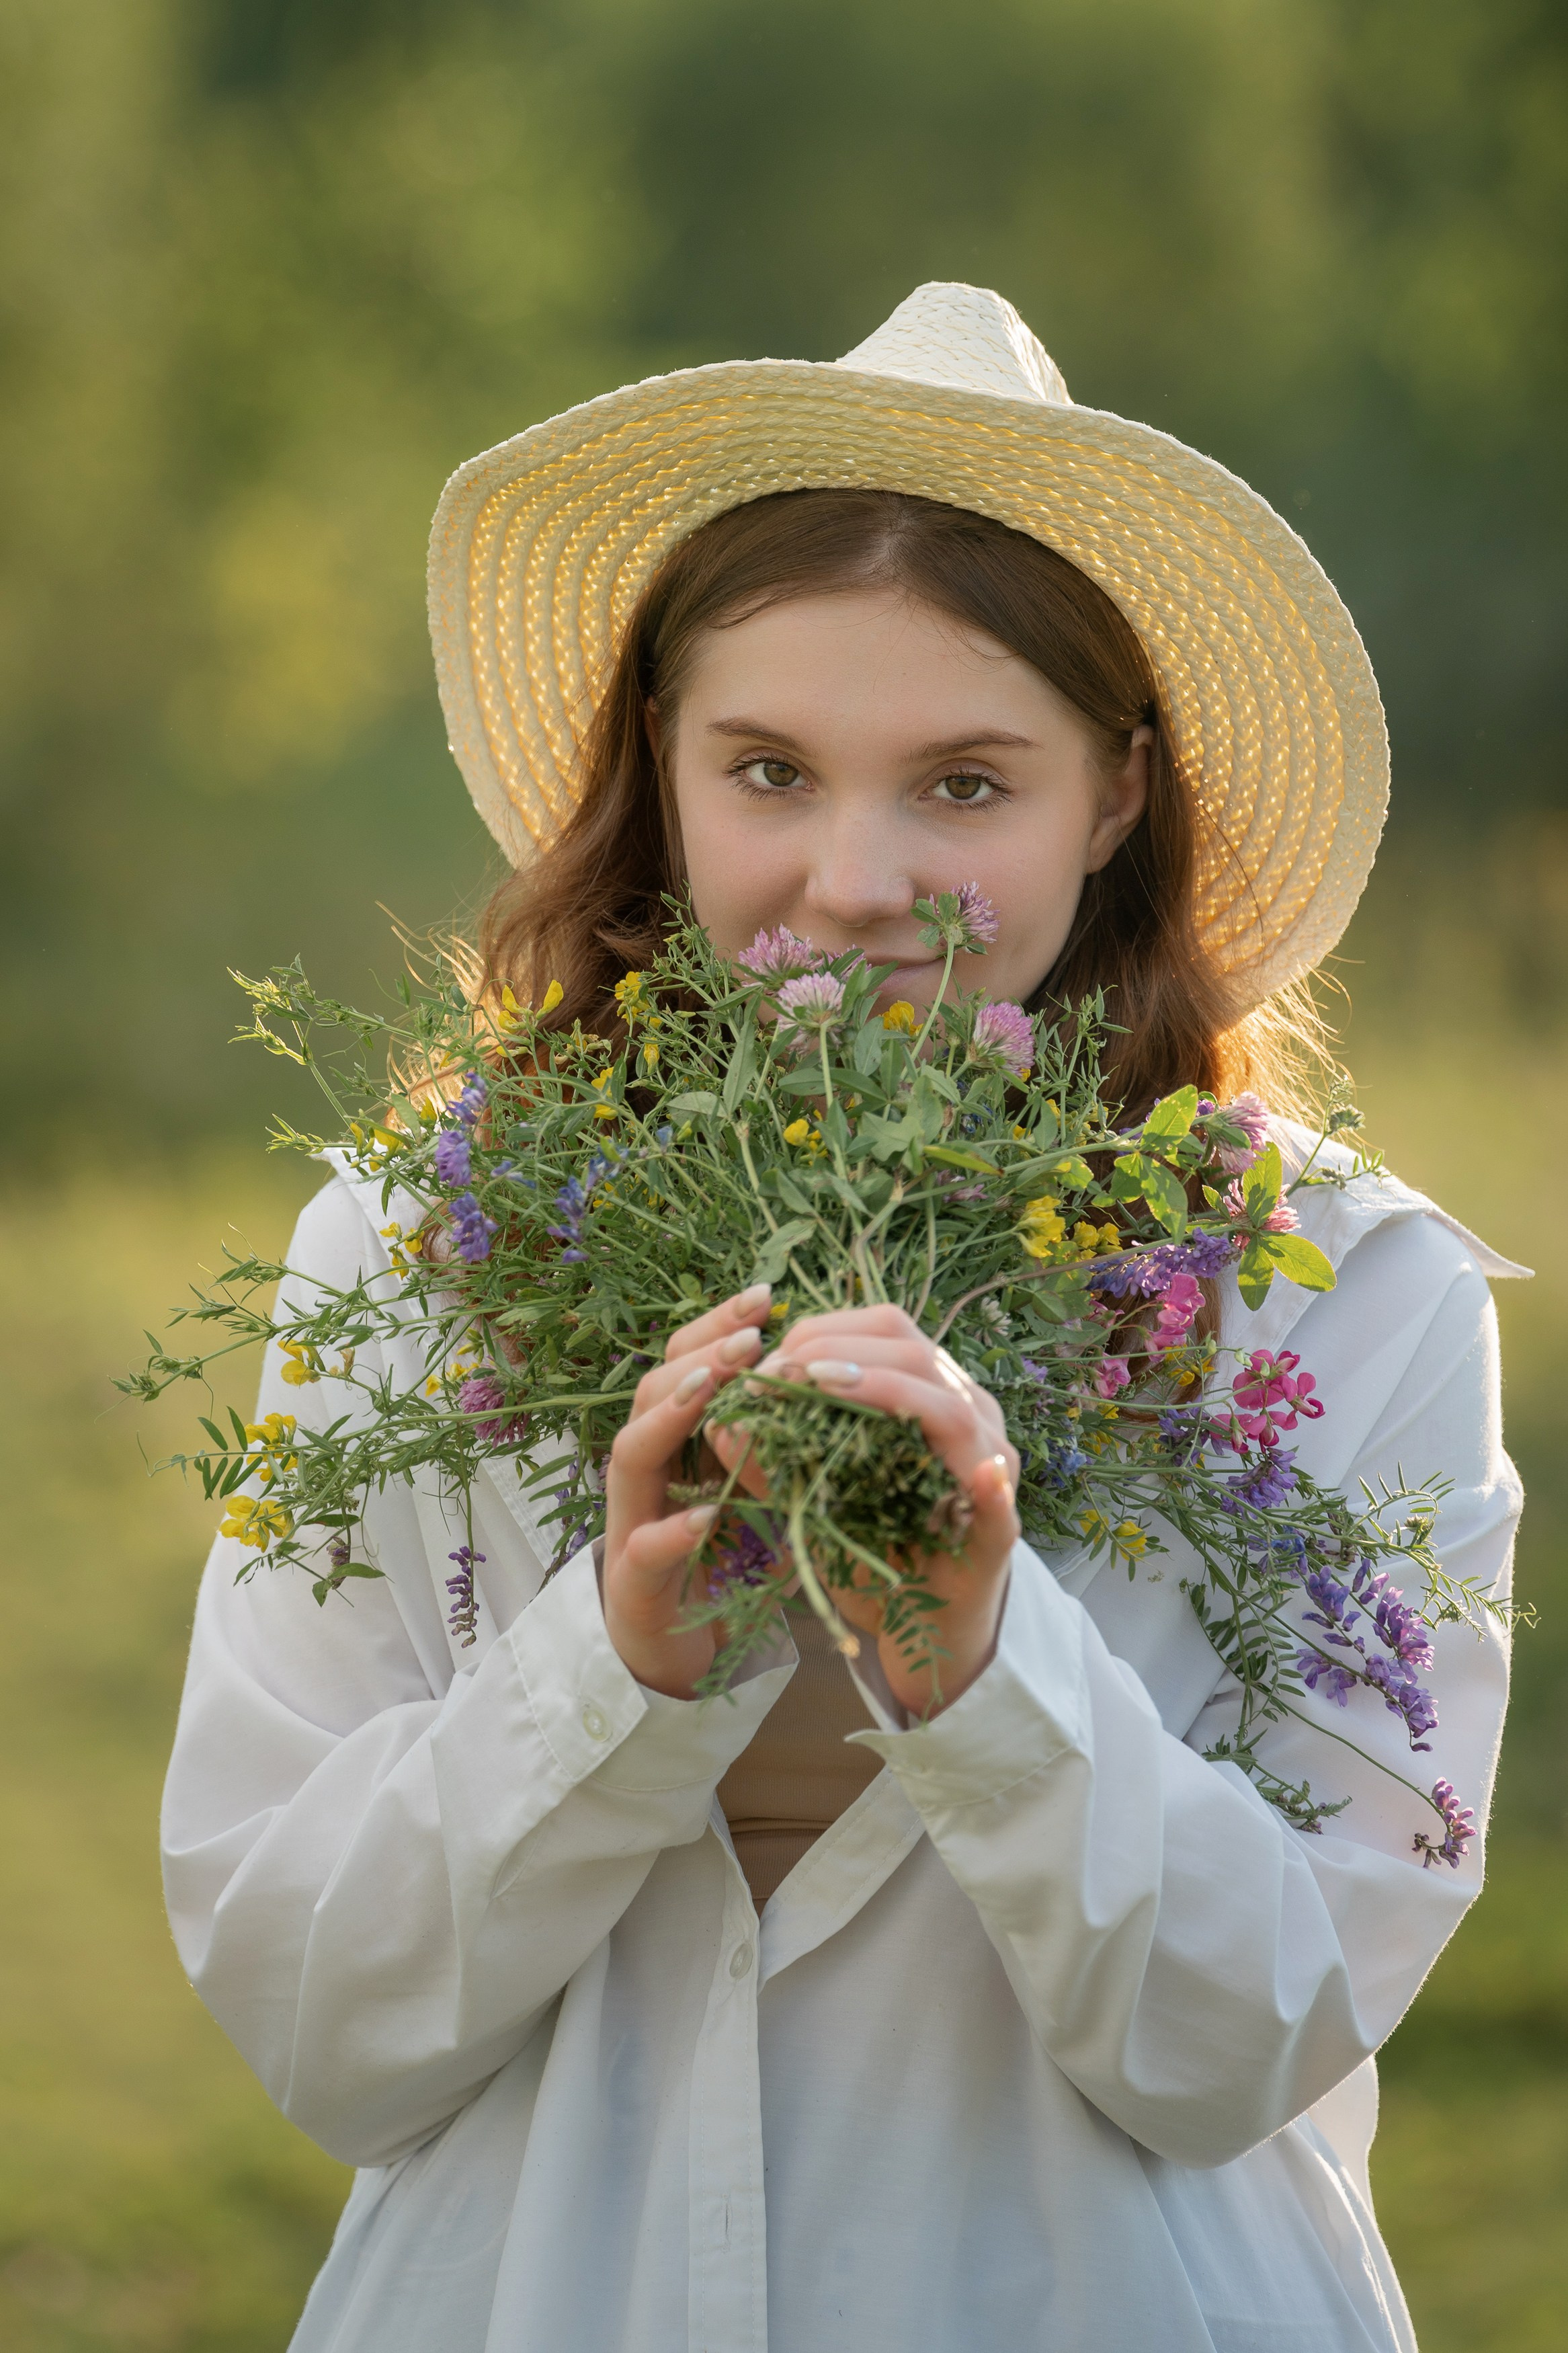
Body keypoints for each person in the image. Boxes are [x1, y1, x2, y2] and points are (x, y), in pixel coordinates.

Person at [162, 284, 1523, 2352]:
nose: (853, 876)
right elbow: (316, 2017)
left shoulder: (1338, 1301)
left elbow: (1254, 2036)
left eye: (968, 785)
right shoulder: (413, 1252)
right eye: (771, 768)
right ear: (662, 764)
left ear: (1119, 794)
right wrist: (611, 1671)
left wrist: (988, 1668)